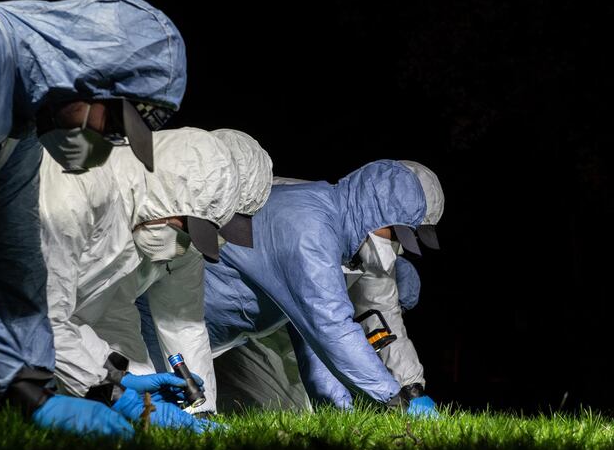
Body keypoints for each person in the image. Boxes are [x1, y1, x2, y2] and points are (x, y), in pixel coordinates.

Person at [0, 0, 186, 438]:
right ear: (87, 75)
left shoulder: (18, 116)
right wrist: (23, 395)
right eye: (111, 124)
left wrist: (77, 388)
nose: (105, 143)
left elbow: (14, 267)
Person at [202, 160, 444, 415]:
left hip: (240, 324)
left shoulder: (353, 233)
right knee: (265, 405)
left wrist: (412, 386)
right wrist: (394, 399)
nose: (399, 247)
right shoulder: (310, 231)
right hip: (199, 315)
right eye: (397, 234)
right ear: (377, 209)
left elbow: (381, 313)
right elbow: (329, 328)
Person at [42, 128, 238, 431]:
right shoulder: (70, 197)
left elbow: (83, 315)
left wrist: (121, 375)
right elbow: (40, 317)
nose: (180, 244)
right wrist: (118, 394)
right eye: (182, 226)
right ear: (165, 190)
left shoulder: (125, 221)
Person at [137, 128, 274, 415]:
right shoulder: (118, 203)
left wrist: (202, 407)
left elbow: (183, 322)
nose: (220, 232)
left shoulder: (186, 246)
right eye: (217, 214)